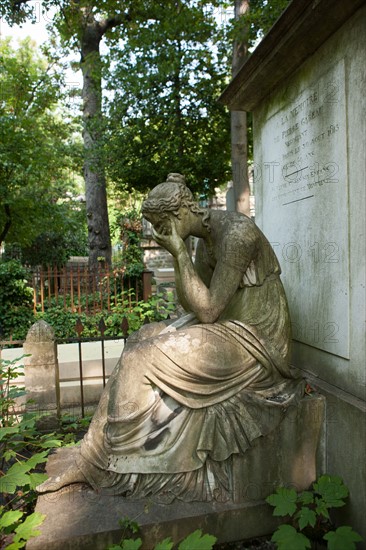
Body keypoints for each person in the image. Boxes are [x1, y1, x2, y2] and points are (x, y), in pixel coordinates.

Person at [37, 173, 304, 501]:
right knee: (141, 337)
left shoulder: (237, 233)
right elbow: (190, 301)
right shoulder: (205, 239)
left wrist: (178, 253)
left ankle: (98, 461)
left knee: (142, 356)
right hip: (228, 326)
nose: (157, 233)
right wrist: (183, 254)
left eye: (161, 224)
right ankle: (92, 451)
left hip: (256, 340)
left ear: (179, 214)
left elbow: (207, 311)